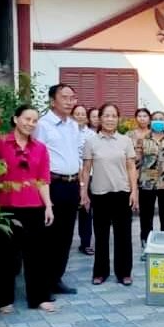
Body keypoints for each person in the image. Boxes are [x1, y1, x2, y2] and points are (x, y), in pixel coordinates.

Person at [0, 105, 56, 313]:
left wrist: (48, 206)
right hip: (7, 206)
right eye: (27, 119)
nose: (30, 124)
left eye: (34, 121)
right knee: (6, 256)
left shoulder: (40, 148)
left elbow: (43, 180)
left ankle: (39, 298)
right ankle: (4, 300)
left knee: (37, 255)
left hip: (34, 206)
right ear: (15, 118)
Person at [79, 103, 139, 286]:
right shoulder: (91, 141)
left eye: (114, 116)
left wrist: (134, 191)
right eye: (106, 115)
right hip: (99, 193)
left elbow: (131, 167)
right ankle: (100, 272)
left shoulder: (125, 141)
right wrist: (84, 193)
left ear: (118, 118)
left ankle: (124, 273)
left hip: (122, 192)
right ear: (99, 118)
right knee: (101, 235)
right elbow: (86, 168)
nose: (110, 119)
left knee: (124, 235)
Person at [33, 84, 82, 296]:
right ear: (53, 101)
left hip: (72, 184)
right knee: (49, 236)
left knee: (66, 236)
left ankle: (57, 279)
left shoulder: (73, 125)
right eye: (65, 97)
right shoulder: (43, 125)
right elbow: (36, 158)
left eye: (72, 97)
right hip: (53, 184)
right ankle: (44, 283)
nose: (70, 101)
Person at [134, 111, 164, 259]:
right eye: (155, 119)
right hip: (147, 183)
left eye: (161, 119)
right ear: (151, 121)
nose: (158, 121)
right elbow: (137, 162)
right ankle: (147, 247)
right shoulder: (143, 140)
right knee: (146, 218)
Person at [72, 105, 95, 256]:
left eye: (82, 114)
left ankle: (85, 243)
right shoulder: (67, 132)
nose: (80, 116)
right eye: (77, 113)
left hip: (89, 175)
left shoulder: (91, 134)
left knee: (86, 209)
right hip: (70, 175)